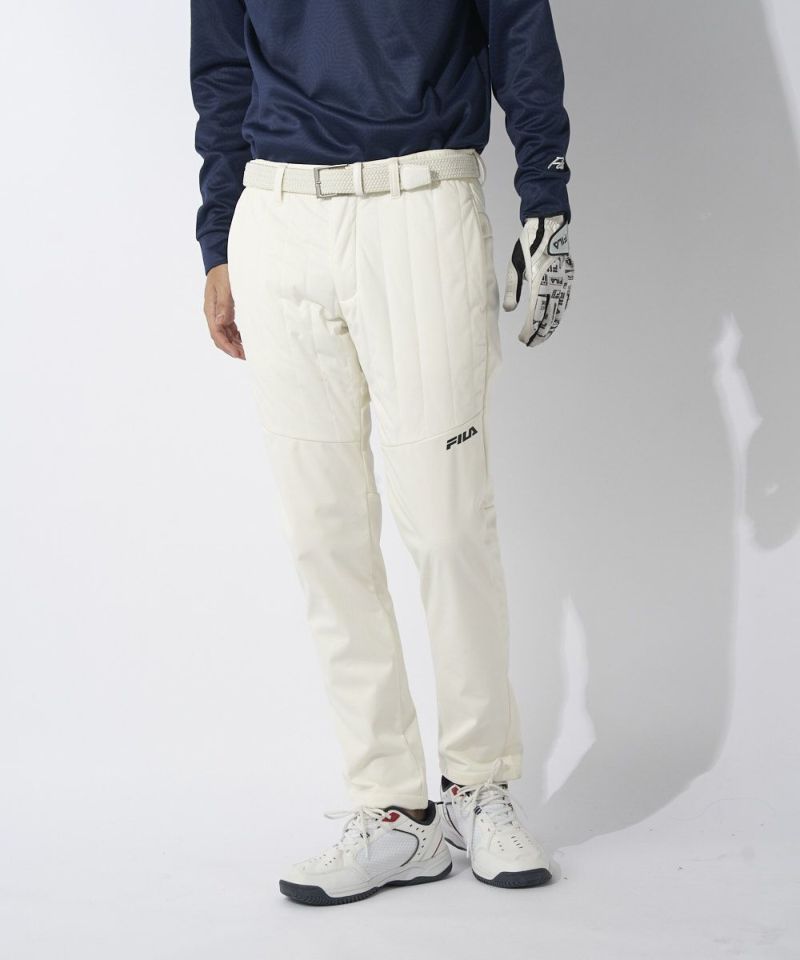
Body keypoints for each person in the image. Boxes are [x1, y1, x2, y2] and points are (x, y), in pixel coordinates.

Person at [189, 0, 574, 906]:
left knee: (448, 524)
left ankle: (478, 785)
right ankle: (394, 811)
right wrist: (217, 237)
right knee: (325, 536)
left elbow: (517, 25)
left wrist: (546, 195)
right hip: (278, 217)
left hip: (422, 202)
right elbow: (221, 66)